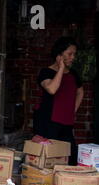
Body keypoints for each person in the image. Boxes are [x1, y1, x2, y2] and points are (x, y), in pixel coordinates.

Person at [33, 36, 84, 165]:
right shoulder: (46, 72)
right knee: (49, 159)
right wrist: (61, 68)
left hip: (66, 123)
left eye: (74, 54)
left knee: (70, 157)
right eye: (69, 54)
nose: (73, 57)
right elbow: (52, 89)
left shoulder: (73, 74)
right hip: (48, 123)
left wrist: (73, 110)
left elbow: (80, 91)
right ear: (59, 55)